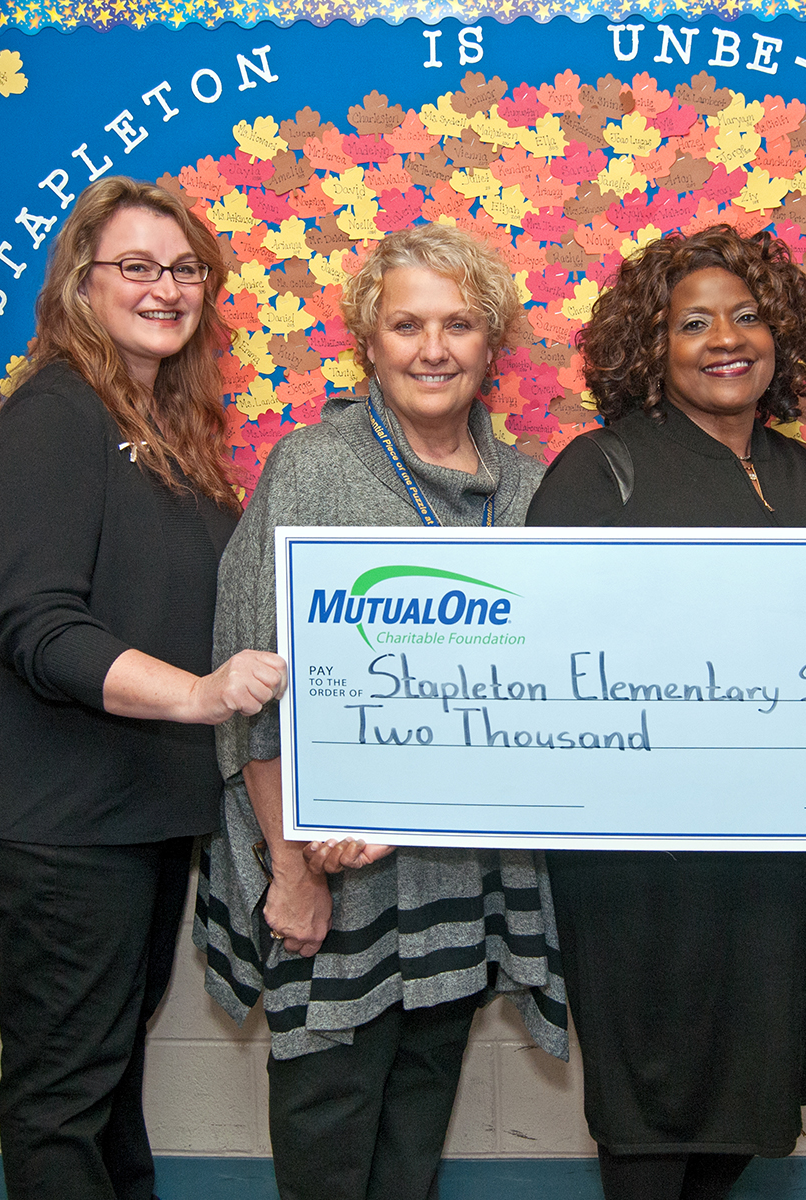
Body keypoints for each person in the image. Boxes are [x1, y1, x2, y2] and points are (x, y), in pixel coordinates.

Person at [196, 223, 567, 1200]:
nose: (433, 348)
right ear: (370, 339)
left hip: (458, 883)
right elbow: (255, 688)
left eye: (458, 324)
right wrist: (290, 868)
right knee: (328, 1151)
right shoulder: (311, 470)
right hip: (332, 885)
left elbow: (545, 691)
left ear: (493, 343)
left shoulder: (528, 489)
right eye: (408, 325)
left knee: (410, 1150)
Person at [0, 177, 286, 1199]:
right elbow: (38, 626)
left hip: (133, 813)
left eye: (184, 269)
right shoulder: (56, 415)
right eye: (136, 267)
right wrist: (197, 695)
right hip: (61, 819)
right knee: (66, 1090)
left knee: (108, 1070)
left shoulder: (155, 420)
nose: (166, 287)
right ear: (80, 285)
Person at [525, 225, 806, 1200]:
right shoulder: (600, 472)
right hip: (643, 859)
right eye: (693, 322)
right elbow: (550, 664)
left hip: (777, 855)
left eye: (747, 316)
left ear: (780, 333)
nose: (726, 339)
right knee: (651, 1112)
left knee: (748, 1106)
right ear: (651, 347)